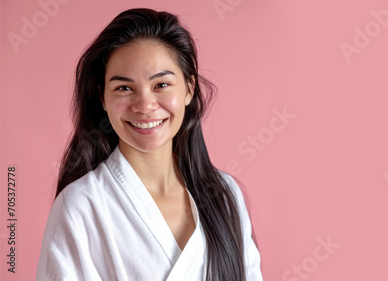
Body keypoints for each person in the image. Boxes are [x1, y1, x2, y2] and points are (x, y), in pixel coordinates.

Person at [36, 8, 263, 281]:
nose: (145, 106)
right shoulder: (81, 206)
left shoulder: (226, 195)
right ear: (103, 97)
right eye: (124, 88)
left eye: (162, 84)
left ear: (189, 88)